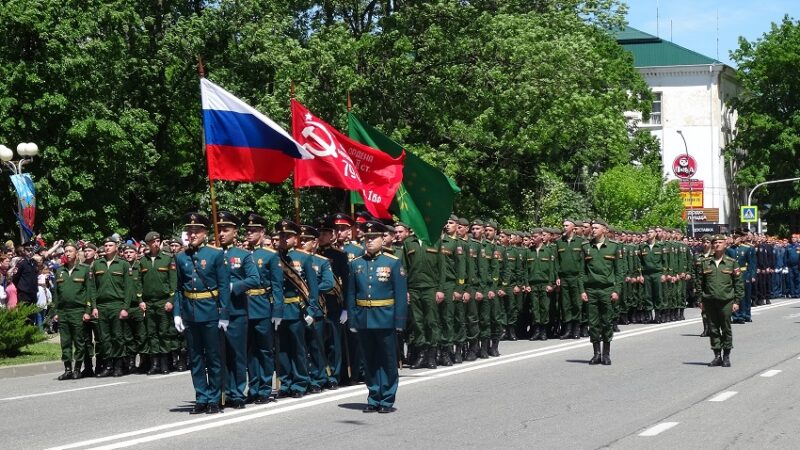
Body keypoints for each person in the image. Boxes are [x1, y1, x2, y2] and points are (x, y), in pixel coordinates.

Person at [173, 212, 231, 414]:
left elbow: (224, 287)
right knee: (196, 358)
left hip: (211, 312)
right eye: (189, 231)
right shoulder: (181, 257)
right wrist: (177, 313)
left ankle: (214, 398)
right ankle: (201, 397)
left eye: (196, 230)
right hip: (191, 313)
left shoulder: (215, 255)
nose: (192, 234)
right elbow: (179, 288)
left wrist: (224, 314)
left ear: (205, 233)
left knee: (214, 358)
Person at [347, 220, 408, 413]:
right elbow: (351, 294)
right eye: (366, 238)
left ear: (383, 239)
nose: (369, 241)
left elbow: (400, 294)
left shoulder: (392, 262)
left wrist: (399, 321)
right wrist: (353, 319)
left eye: (373, 238)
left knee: (388, 359)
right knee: (370, 360)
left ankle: (387, 398)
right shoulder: (356, 264)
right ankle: (374, 397)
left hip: (385, 317)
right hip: (364, 318)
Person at [216, 211, 260, 408]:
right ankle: (222, 391)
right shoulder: (211, 253)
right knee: (218, 355)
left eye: (226, 229)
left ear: (235, 232)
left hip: (236, 311)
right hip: (214, 311)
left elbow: (254, 279)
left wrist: (233, 287)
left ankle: (237, 393)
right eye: (219, 230)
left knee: (237, 354)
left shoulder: (243, 255)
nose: (222, 233)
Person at [275, 219, 320, 398]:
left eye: (288, 236)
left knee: (298, 348)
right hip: (279, 310)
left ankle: (300, 383)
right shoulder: (273, 256)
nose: (284, 239)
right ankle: (285, 383)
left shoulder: (304, 257)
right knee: (282, 349)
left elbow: (313, 287)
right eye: (282, 235)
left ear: (296, 238)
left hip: (297, 308)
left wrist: (311, 310)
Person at [243, 212, 284, 404]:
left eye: (253, 231)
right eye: (248, 231)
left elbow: (277, 285)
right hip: (245, 307)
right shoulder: (242, 254)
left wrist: (277, 311)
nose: (249, 234)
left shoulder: (270, 256)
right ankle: (254, 386)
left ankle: (265, 388)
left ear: (262, 232)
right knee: (250, 351)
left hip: (262, 306)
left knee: (265, 350)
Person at [580, 220, 625, 366]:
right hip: (591, 290)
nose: (593, 230)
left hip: (607, 290)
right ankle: (596, 354)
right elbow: (581, 271)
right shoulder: (586, 247)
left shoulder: (613, 247)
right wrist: (582, 290)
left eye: (596, 228)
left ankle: (606, 354)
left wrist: (616, 290)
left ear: (604, 230)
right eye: (592, 228)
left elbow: (619, 272)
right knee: (593, 324)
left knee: (606, 322)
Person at [697, 234, 744, 367]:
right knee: (713, 329)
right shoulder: (706, 262)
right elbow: (700, 283)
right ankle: (717, 355)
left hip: (726, 301)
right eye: (715, 242)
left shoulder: (731, 262)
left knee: (726, 328)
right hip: (709, 301)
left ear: (725, 244)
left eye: (720, 242)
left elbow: (738, 283)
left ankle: (727, 356)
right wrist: (700, 300)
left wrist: (736, 301)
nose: (717, 244)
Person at [52, 243, 97, 380]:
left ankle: (78, 368)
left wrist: (87, 310)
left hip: (78, 311)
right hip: (64, 312)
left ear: (77, 253)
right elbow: (56, 294)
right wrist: (56, 311)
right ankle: (67, 369)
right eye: (65, 251)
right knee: (65, 341)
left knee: (79, 341)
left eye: (70, 251)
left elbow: (90, 292)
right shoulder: (60, 271)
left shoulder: (84, 270)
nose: (67, 253)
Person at [91, 236, 134, 378]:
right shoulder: (97, 264)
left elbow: (129, 288)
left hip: (117, 304)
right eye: (105, 245)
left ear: (116, 247)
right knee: (104, 338)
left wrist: (125, 308)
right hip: (102, 305)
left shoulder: (123, 264)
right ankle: (108, 365)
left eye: (110, 245)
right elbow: (93, 288)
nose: (107, 247)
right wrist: (94, 307)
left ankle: (118, 366)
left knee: (118, 337)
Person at [138, 231, 178, 375]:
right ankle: (154, 364)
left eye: (157, 241)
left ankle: (165, 363)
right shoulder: (143, 261)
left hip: (163, 301)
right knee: (151, 333)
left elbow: (173, 282)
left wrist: (170, 300)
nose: (155, 244)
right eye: (152, 242)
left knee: (164, 333)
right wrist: (140, 300)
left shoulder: (168, 259)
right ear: (148, 244)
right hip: (149, 302)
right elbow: (139, 283)